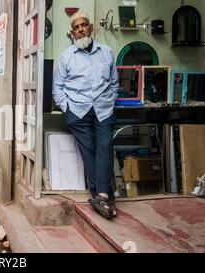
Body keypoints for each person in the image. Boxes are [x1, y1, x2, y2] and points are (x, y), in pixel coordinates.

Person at [53, 11, 119, 220]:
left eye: (84, 25)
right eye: (76, 27)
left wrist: (108, 100)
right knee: (88, 150)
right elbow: (58, 89)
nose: (80, 30)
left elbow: (114, 82)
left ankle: (101, 195)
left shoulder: (107, 52)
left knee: (105, 147)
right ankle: (101, 194)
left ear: (91, 27)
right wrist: (68, 109)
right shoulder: (66, 57)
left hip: (103, 109)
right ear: (72, 33)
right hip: (78, 111)